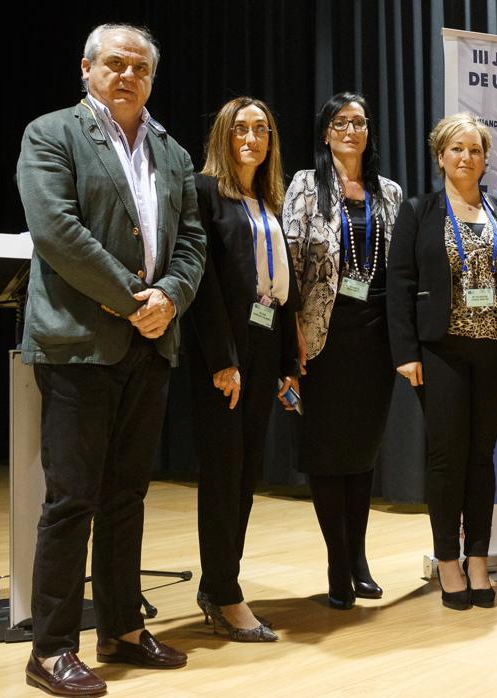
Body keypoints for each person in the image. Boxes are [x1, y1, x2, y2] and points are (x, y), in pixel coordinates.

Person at [15, 23, 204, 695]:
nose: (126, 75)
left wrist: (170, 298)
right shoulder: (51, 134)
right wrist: (135, 300)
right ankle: (51, 648)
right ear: (87, 69)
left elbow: (192, 241)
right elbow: (56, 231)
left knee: (127, 495)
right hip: (78, 341)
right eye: (114, 64)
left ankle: (122, 628)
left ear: (151, 79)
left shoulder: (172, 151)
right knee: (72, 499)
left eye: (139, 68)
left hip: (151, 344)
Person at [386, 113, 497, 610]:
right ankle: (447, 561)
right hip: (440, 351)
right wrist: (406, 352)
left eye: (474, 150)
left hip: (496, 350)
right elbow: (401, 287)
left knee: (482, 456)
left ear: (484, 158)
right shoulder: (419, 212)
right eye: (456, 149)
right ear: (440, 157)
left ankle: (478, 557)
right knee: (446, 456)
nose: (466, 158)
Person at [186, 97, 300, 641]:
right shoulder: (207, 191)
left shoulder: (267, 200)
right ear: (224, 137)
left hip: (263, 342)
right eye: (240, 129)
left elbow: (281, 291)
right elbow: (203, 281)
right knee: (223, 475)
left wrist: (285, 366)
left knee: (246, 474)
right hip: (225, 351)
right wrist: (221, 360)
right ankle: (226, 596)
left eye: (261, 129)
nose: (251, 138)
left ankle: (219, 585)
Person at [283, 93, 403, 609]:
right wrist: (291, 328)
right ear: (326, 132)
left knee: (362, 454)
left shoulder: (390, 192)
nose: (351, 130)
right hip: (322, 334)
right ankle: (336, 563)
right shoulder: (306, 186)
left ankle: (358, 558)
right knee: (327, 453)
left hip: (377, 337)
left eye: (359, 122)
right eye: (341, 122)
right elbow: (287, 261)